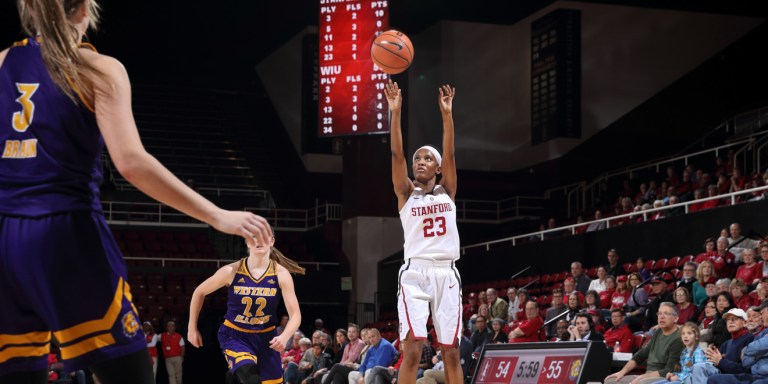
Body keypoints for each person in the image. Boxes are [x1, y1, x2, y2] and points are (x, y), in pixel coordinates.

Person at [0, 1, 274, 383]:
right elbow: (130, 162)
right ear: (85, 12)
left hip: (5, 237)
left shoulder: (2, 62)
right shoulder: (98, 68)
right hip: (65, 232)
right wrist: (218, 215)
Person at [386, 80, 463, 384]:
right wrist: (396, 111)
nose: (419, 162)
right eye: (417, 158)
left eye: (427, 158)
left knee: (452, 352)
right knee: (413, 350)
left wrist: (447, 115)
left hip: (446, 272)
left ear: (438, 168)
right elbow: (396, 156)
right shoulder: (406, 192)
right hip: (415, 273)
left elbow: (451, 153)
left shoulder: (449, 190)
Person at [187, 229, 304, 384]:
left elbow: (295, 315)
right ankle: (237, 373)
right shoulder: (232, 270)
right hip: (235, 335)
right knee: (252, 380)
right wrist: (191, 327)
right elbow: (199, 292)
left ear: (272, 241)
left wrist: (284, 336)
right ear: (248, 242)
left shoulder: (281, 274)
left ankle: (233, 376)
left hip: (266, 337)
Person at [604, 302, 685, 384]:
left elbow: (669, 370)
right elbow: (641, 354)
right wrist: (622, 372)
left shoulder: (678, 338)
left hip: (664, 377)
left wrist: (642, 377)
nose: (662, 317)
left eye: (666, 314)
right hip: (647, 375)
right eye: (659, 313)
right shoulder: (658, 332)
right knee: (610, 381)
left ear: (676, 319)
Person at [691, 308, 753, 382]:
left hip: (739, 378)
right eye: (728, 320)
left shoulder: (750, 339)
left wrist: (721, 362)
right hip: (723, 374)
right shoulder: (727, 343)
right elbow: (718, 364)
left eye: (735, 319)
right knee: (697, 367)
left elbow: (746, 369)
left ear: (744, 323)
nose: (730, 322)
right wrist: (712, 359)